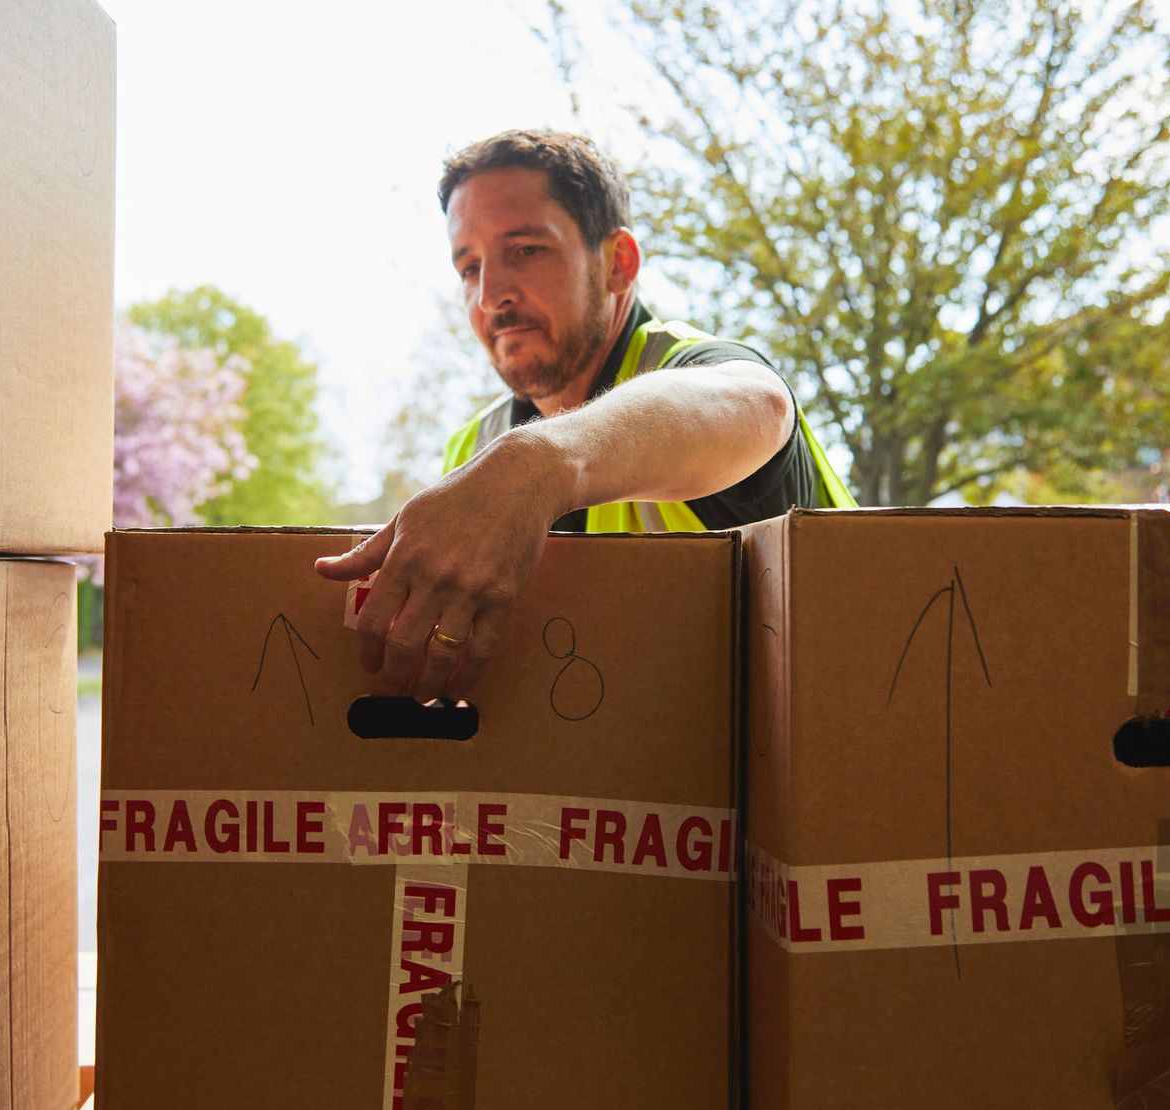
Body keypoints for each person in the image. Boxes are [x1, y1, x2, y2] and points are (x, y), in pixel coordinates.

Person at [316, 129, 851, 702]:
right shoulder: (475, 447)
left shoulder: (682, 366)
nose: (491, 293)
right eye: (469, 268)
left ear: (618, 263)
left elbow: (759, 407)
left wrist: (535, 465)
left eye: (526, 250)